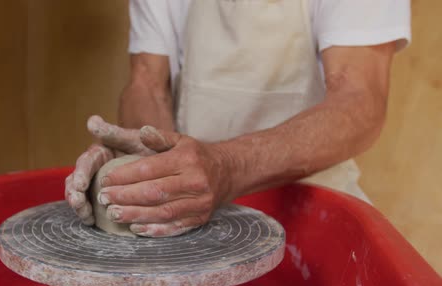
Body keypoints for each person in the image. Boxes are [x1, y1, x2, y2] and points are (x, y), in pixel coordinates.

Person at [65, 0, 411, 238]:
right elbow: (147, 82)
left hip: (316, 210)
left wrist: (225, 166)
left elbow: (360, 101)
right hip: (194, 213)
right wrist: (150, 163)